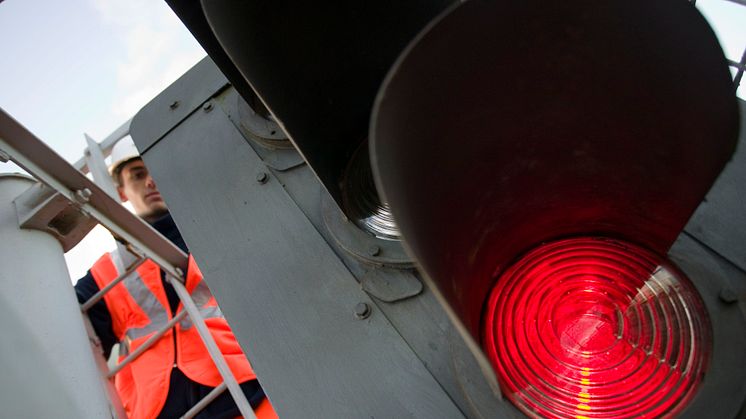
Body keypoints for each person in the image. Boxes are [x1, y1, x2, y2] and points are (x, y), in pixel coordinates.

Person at [74, 137, 276, 419]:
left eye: (156, 170)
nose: (150, 181)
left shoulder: (219, 233)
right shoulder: (110, 269)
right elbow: (70, 328)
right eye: (138, 174)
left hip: (247, 390)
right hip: (158, 407)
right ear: (120, 190)